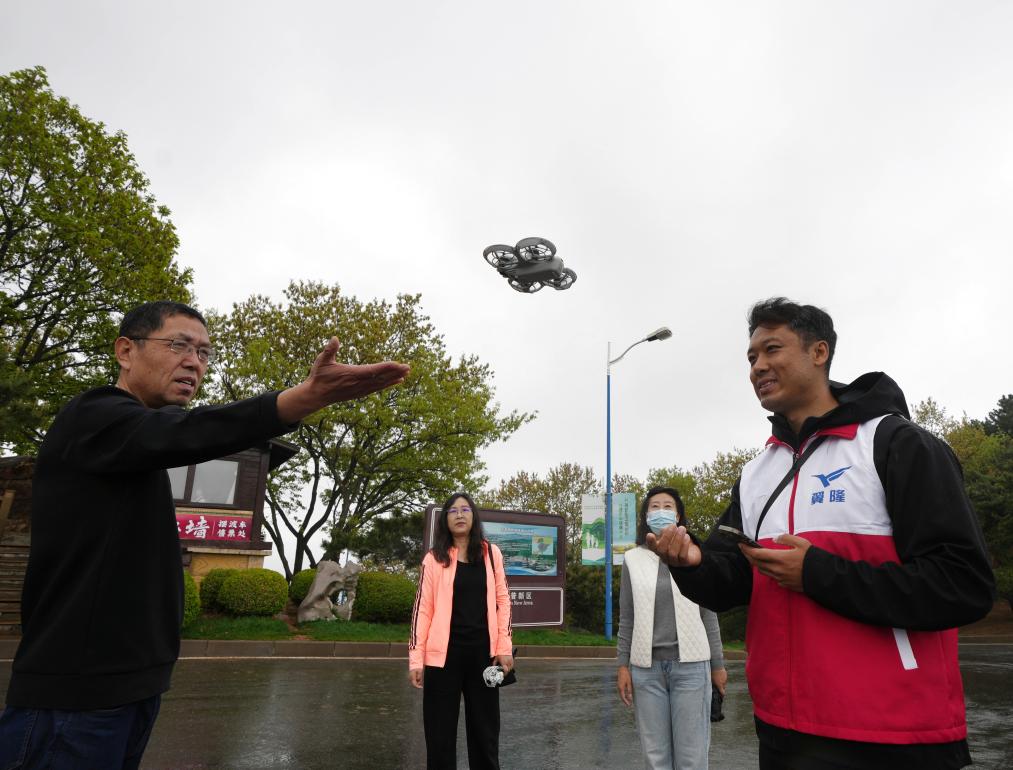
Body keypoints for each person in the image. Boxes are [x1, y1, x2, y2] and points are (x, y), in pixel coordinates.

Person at [0, 300, 408, 769]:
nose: (194, 362)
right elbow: (187, 432)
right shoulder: (94, 415)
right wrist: (302, 398)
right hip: (74, 698)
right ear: (126, 351)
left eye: (204, 353)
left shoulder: (137, 449)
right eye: (179, 345)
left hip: (131, 689)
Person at [648, 298, 996, 769]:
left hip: (895, 733)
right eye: (751, 357)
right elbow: (732, 583)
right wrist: (691, 564)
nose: (758, 366)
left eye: (772, 349)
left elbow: (964, 585)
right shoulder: (756, 474)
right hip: (783, 731)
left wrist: (817, 573)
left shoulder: (897, 443)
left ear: (819, 352)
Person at [617, 486, 727, 770]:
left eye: (668, 506)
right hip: (646, 671)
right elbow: (627, 617)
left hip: (692, 668)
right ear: (645, 516)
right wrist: (623, 666)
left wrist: (718, 665)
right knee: (655, 758)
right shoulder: (632, 559)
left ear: (678, 516)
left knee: (692, 757)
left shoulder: (695, 554)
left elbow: (708, 613)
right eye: (654, 506)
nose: (661, 511)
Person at [409, 492, 513, 770]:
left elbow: (503, 601)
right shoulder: (434, 558)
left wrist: (503, 647)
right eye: (453, 511)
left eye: (465, 509)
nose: (459, 514)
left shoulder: (491, 554)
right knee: (439, 737)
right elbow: (422, 609)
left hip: (484, 656)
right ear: (445, 519)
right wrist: (416, 659)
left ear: (473, 516)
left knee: (485, 735)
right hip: (443, 658)